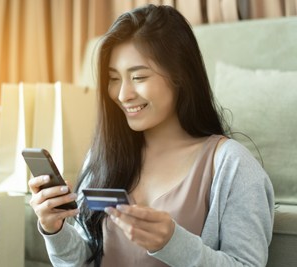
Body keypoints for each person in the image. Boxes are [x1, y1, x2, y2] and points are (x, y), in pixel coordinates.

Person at [28, 4, 274, 267]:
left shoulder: (232, 165)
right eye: (114, 78)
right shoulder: (105, 156)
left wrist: (173, 244)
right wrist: (55, 230)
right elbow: (85, 260)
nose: (123, 95)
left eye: (139, 76)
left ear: (180, 75)